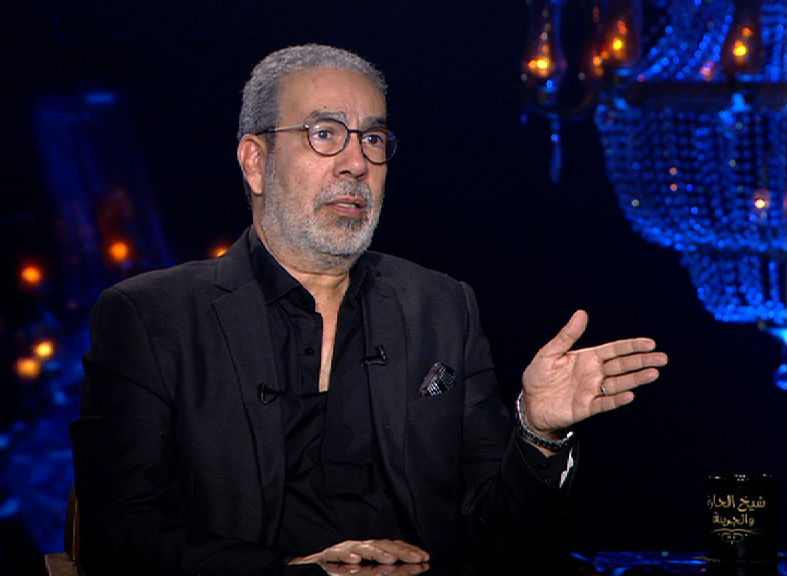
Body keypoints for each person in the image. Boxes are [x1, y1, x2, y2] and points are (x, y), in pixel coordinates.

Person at [71, 44, 668, 575]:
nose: (356, 163)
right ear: (255, 161)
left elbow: (501, 539)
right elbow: (117, 535)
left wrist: (537, 433)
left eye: (373, 140)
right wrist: (294, 572)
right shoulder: (151, 318)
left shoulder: (441, 307)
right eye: (325, 134)